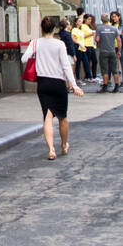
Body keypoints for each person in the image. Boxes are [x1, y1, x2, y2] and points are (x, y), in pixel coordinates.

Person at [20, 16, 83, 159]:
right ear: (54, 29)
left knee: (47, 117)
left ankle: (51, 149)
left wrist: (36, 55)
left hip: (43, 83)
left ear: (41, 28)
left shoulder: (35, 43)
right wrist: (74, 85)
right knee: (62, 117)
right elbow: (66, 66)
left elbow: (24, 59)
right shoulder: (59, 44)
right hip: (58, 83)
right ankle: (64, 144)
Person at [94, 15, 122, 93]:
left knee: (105, 70)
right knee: (115, 70)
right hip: (112, 51)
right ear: (109, 20)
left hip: (103, 51)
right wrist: (119, 51)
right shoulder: (114, 28)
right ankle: (116, 86)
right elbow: (119, 40)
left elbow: (97, 39)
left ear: (101, 20)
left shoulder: (99, 28)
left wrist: (98, 41)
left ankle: (105, 87)